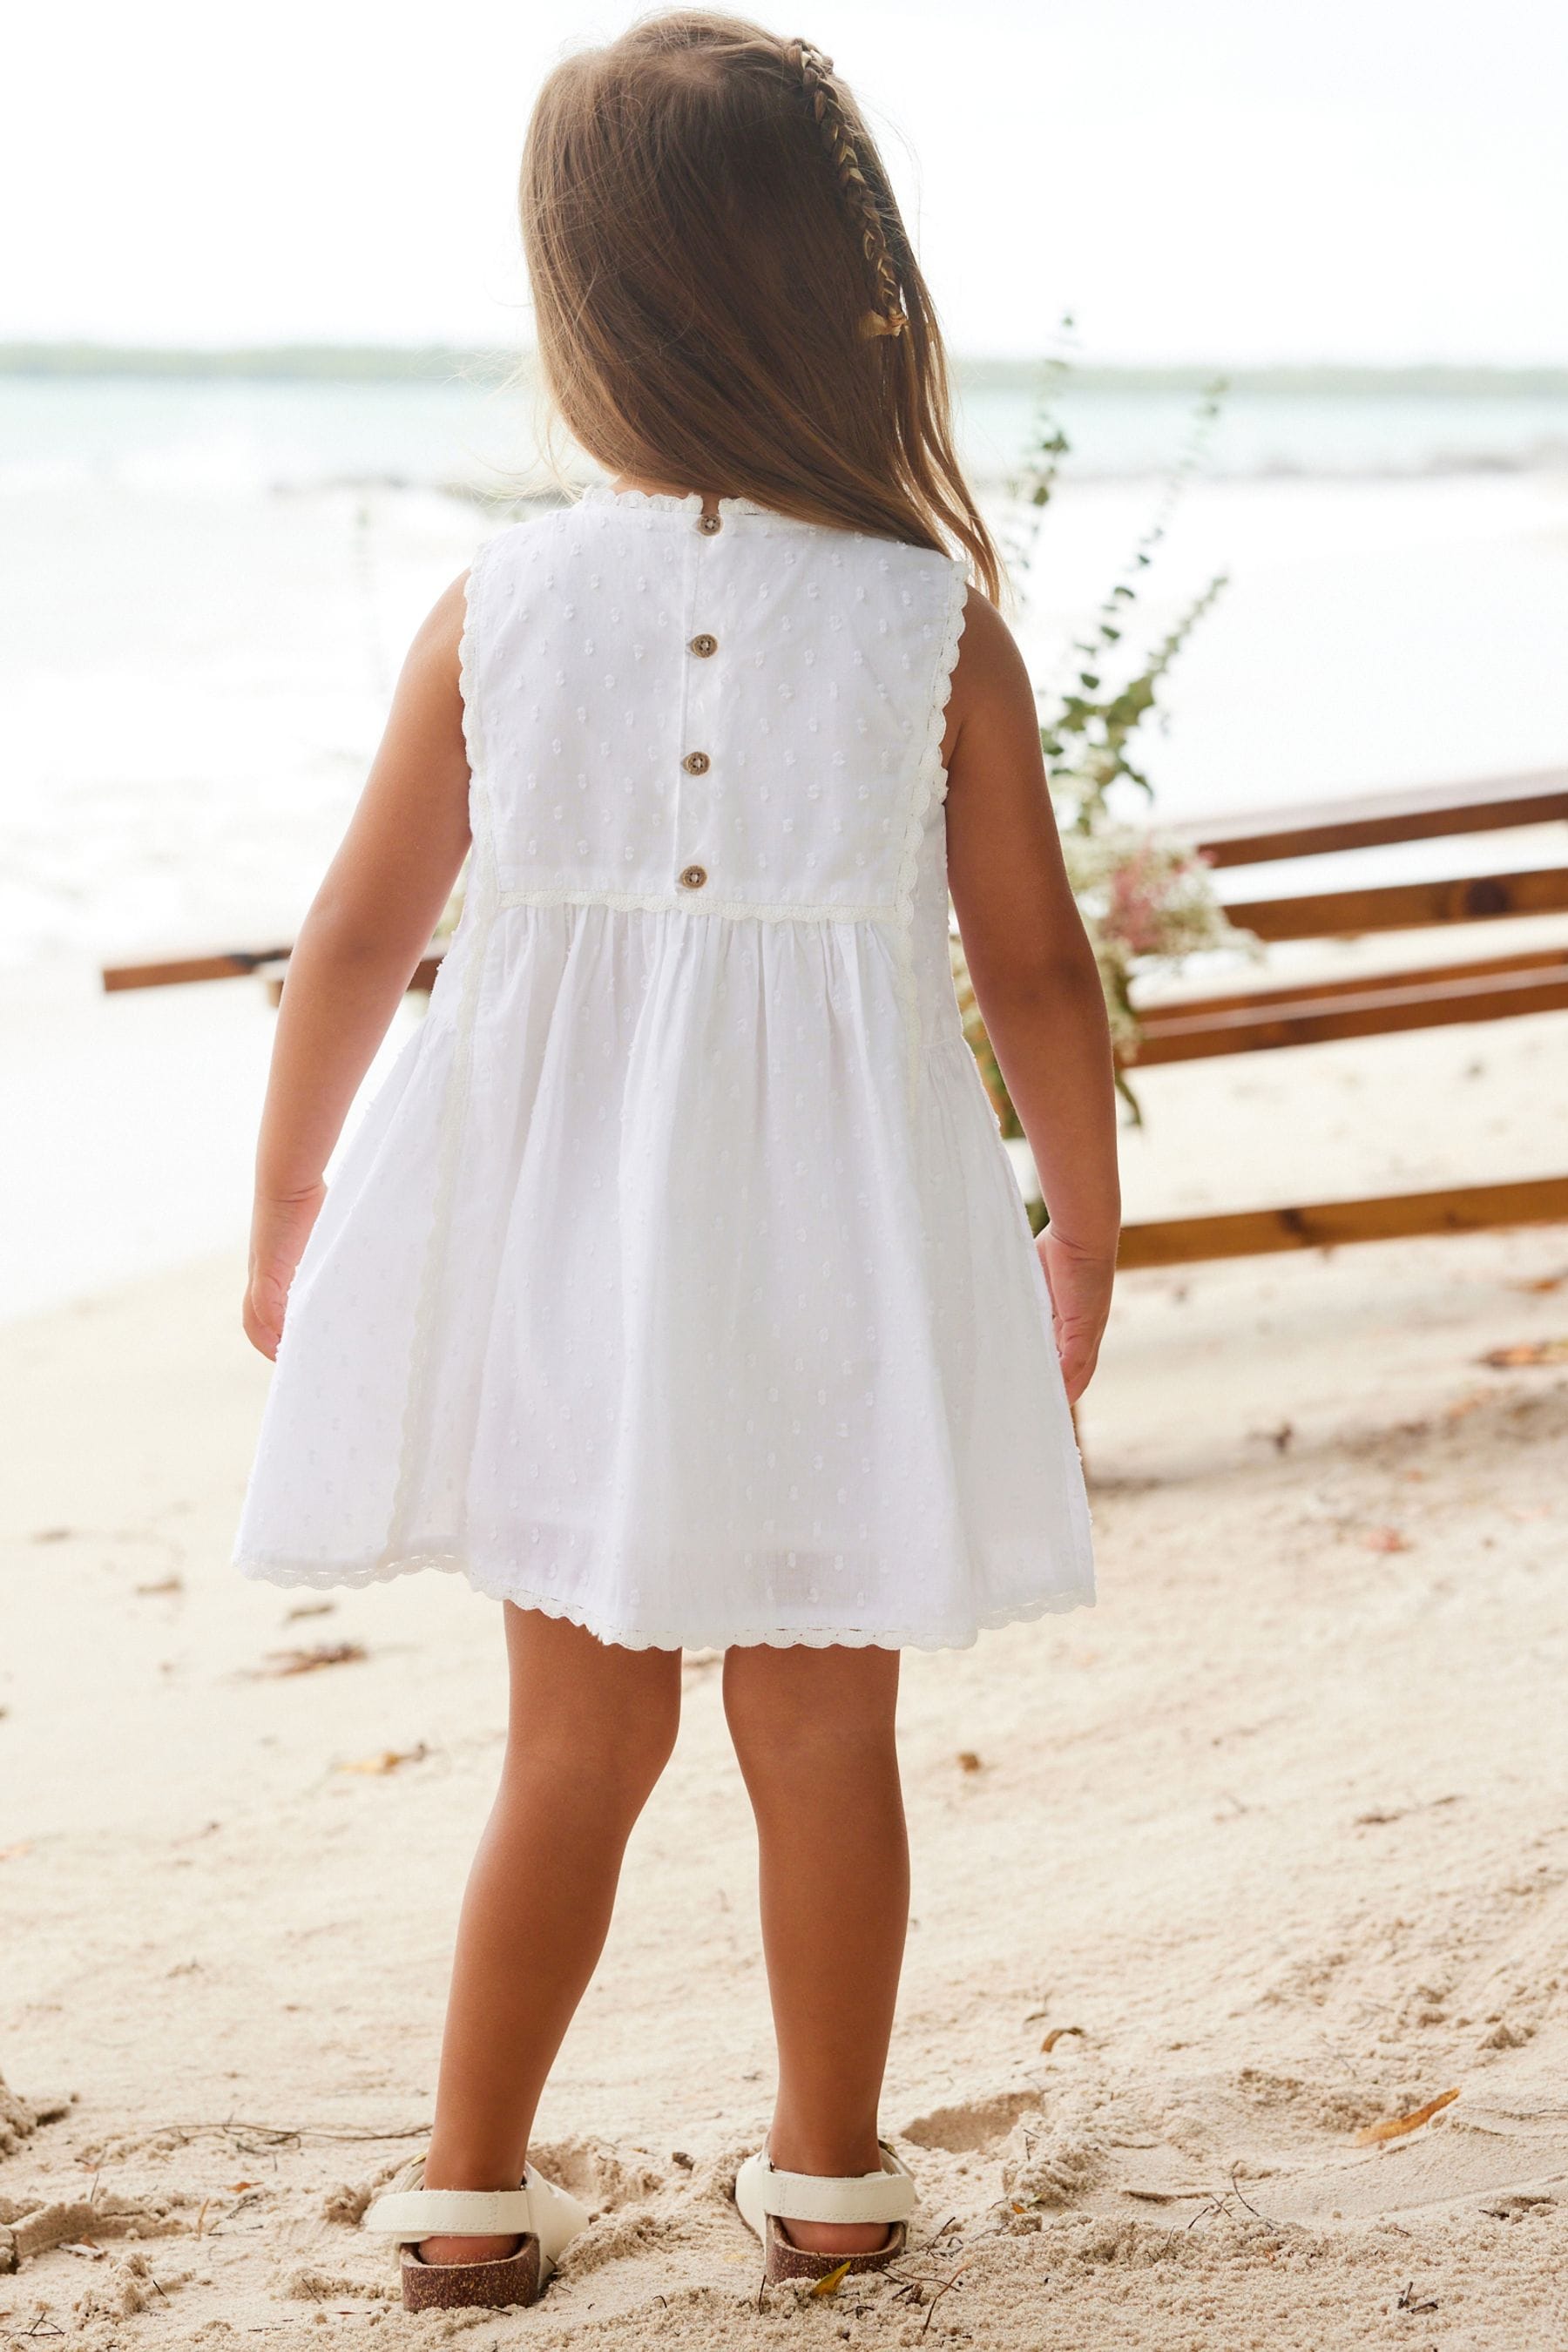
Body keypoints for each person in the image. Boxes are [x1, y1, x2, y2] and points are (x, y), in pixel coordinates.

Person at [233, 10, 1118, 2310]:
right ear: (849, 289)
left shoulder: (501, 608)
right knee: (823, 1726)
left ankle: (468, 2179)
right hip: (842, 1255)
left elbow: (353, 938)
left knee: (573, 1734)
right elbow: (1040, 981)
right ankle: (828, 2170)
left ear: (589, 316)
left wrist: (289, 1205)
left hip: (564, 1260)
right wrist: (1085, 1233)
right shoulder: (939, 629)